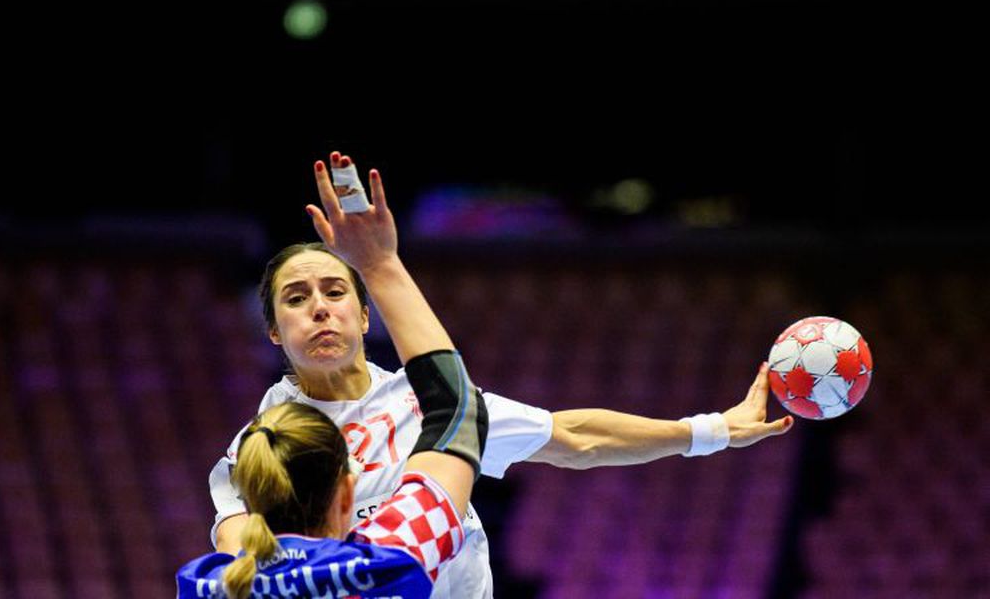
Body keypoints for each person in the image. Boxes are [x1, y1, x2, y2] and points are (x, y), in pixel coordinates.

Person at [207, 153, 793, 597]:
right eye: (296, 298)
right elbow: (236, 549)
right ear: (274, 332)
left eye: (335, 290)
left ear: (365, 316)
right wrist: (382, 265)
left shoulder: (412, 402)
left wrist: (711, 429)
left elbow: (574, 438)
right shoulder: (263, 446)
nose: (319, 307)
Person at [178, 153, 487, 598]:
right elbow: (458, 410)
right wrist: (380, 264)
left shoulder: (207, 585)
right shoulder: (392, 559)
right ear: (348, 495)